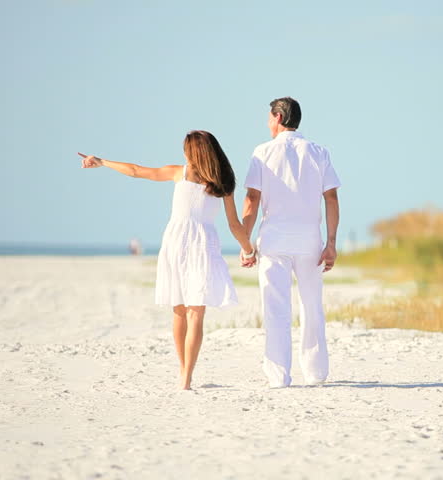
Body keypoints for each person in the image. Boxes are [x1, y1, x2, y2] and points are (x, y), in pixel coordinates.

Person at [79, 130, 254, 390]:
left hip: (176, 241)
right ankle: (186, 376)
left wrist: (103, 161)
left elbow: (137, 171)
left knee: (180, 310)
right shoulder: (223, 183)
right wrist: (248, 249)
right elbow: (234, 225)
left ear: (191, 152)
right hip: (203, 243)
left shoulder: (179, 172)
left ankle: (184, 372)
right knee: (196, 312)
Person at [241, 97, 341, 388]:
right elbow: (331, 198)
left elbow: (252, 199)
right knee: (312, 306)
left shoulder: (262, 152)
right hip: (310, 240)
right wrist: (331, 242)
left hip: (274, 239)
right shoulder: (318, 152)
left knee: (276, 308)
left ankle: (278, 376)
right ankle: (315, 373)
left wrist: (246, 242)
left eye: (269, 117)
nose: (268, 123)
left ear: (278, 116)